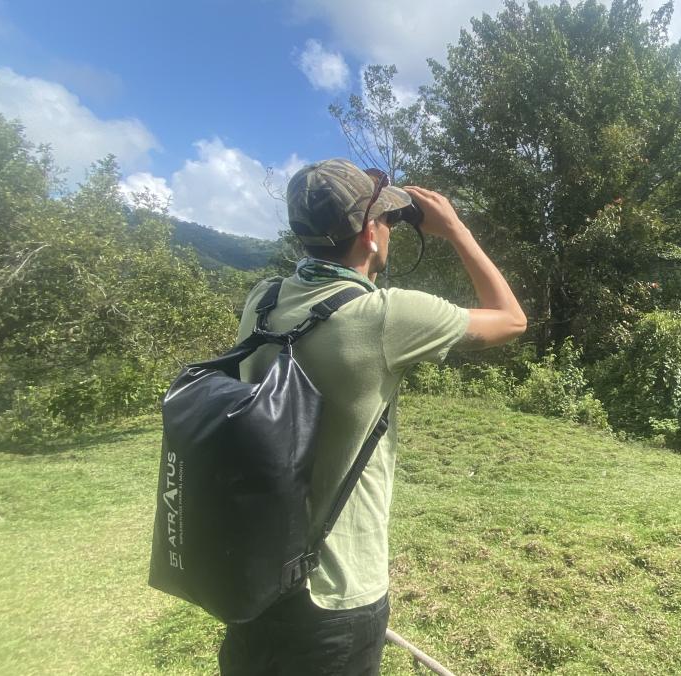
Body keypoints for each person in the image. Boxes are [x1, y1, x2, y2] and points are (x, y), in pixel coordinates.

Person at [218, 159, 526, 675]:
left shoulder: (263, 300)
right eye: (384, 219)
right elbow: (511, 318)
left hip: (254, 572)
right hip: (336, 595)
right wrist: (455, 229)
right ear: (369, 232)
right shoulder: (384, 315)